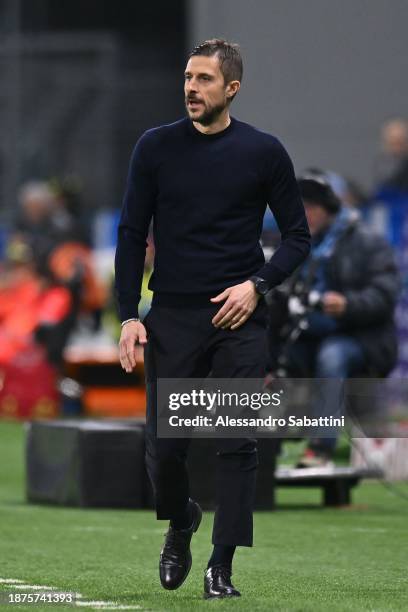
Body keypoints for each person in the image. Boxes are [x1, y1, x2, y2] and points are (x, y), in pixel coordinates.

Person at [114, 39, 310, 599]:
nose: (191, 88)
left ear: (232, 88)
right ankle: (181, 521)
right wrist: (129, 315)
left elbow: (298, 237)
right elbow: (131, 235)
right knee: (166, 450)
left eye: (203, 79)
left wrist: (258, 286)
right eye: (188, 76)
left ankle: (221, 566)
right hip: (171, 316)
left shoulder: (264, 152)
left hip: (238, 317)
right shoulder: (154, 148)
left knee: (235, 441)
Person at [268, 172, 399, 467]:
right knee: (268, 359)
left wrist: (348, 304)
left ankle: (320, 448)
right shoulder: (294, 244)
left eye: (311, 208)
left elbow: (386, 293)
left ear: (328, 209)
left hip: (361, 337)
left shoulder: (367, 242)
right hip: (305, 333)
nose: (305, 215)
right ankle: (263, 450)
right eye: (299, 208)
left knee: (331, 356)